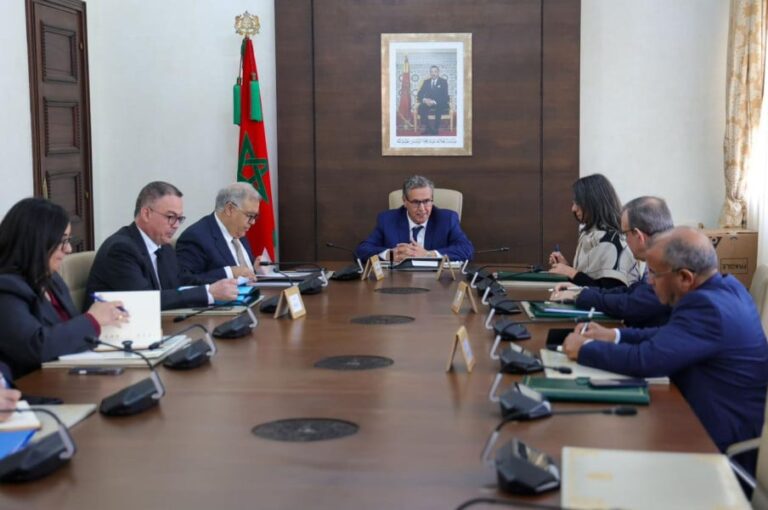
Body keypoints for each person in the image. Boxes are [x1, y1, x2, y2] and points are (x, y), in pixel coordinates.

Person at [563, 227, 768, 456]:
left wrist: (584, 349)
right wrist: (614, 335)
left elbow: (646, 360)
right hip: (701, 422)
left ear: (685, 278)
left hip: (716, 445)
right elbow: (669, 335)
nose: (649, 282)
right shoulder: (728, 287)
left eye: (654, 274)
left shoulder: (708, 308)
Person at [0, 198, 126, 379]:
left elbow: (70, 330)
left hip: (68, 375)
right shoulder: (6, 288)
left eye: (69, 240)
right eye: (62, 241)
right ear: (36, 241)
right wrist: (92, 319)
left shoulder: (52, 279)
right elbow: (36, 347)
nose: (68, 249)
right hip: (33, 385)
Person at [85, 181, 239, 311]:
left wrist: (223, 282)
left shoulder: (164, 247)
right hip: (116, 332)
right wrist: (208, 293)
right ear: (146, 213)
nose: (176, 225)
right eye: (171, 217)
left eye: (180, 219)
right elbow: (144, 302)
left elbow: (181, 283)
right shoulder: (121, 250)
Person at [551, 196, 673, 327]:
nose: (625, 240)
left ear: (638, 235)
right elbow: (629, 292)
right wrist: (580, 291)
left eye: (625, 234)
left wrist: (578, 296)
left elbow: (630, 304)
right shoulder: (662, 258)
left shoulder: (671, 266)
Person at [549, 173, 641, 288]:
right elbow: (590, 282)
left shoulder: (613, 240)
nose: (573, 209)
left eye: (578, 203)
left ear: (593, 202)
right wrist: (566, 268)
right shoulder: (590, 235)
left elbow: (610, 291)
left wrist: (571, 272)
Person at [355, 175, 474, 263]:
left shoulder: (447, 219)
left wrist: (428, 255)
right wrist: (390, 255)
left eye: (427, 201)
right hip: (398, 282)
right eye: (416, 202)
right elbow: (361, 251)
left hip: (437, 283)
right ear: (405, 201)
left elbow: (467, 250)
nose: (422, 208)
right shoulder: (387, 220)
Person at [176, 183, 263, 283]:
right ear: (230, 209)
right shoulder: (195, 237)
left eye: (255, 217)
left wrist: (255, 268)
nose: (253, 222)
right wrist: (228, 273)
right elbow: (185, 280)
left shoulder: (239, 231)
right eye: (250, 216)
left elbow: (242, 271)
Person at [416, 65, 449, 136]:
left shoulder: (443, 82)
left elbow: (445, 96)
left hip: (439, 102)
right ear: (430, 73)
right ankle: (428, 128)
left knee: (439, 108)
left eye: (435, 71)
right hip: (428, 102)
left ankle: (436, 129)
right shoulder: (426, 82)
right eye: (431, 72)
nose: (433, 73)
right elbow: (420, 93)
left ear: (438, 72)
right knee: (421, 107)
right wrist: (425, 100)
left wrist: (434, 102)